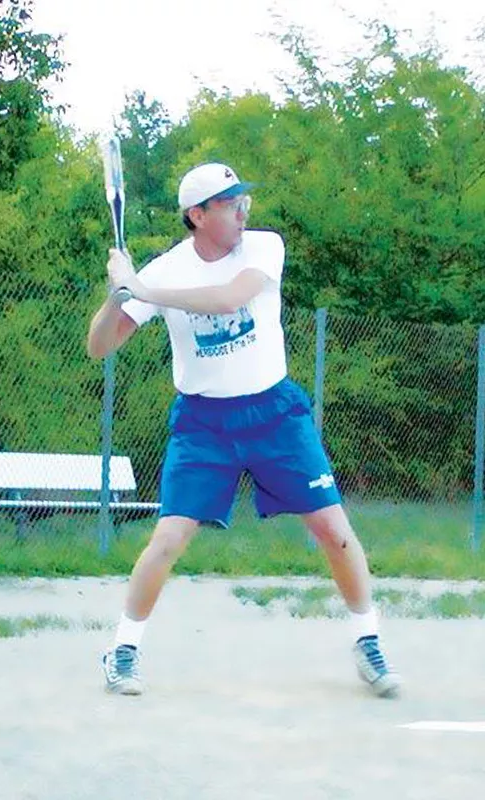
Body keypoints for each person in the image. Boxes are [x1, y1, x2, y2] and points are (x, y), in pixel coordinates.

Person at [87, 162, 400, 699]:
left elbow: (232, 299)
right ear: (198, 215)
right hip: (204, 424)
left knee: (333, 529)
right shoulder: (163, 272)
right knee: (168, 539)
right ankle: (123, 650)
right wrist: (120, 292)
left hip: (275, 414)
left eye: (241, 201)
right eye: (229, 204)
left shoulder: (263, 248)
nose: (242, 211)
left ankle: (368, 639)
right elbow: (99, 346)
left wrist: (145, 288)